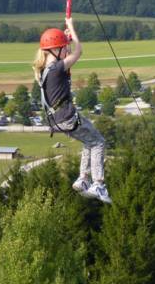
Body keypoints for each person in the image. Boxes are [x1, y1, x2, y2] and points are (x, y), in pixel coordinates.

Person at [33, 18, 111, 203]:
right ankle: (98, 183)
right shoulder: (58, 68)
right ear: (56, 50)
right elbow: (79, 51)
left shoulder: (44, 70)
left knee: (89, 141)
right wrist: (72, 29)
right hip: (67, 117)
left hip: (57, 120)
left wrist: (65, 39)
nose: (65, 50)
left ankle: (83, 179)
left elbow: (66, 60)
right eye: (63, 48)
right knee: (99, 142)